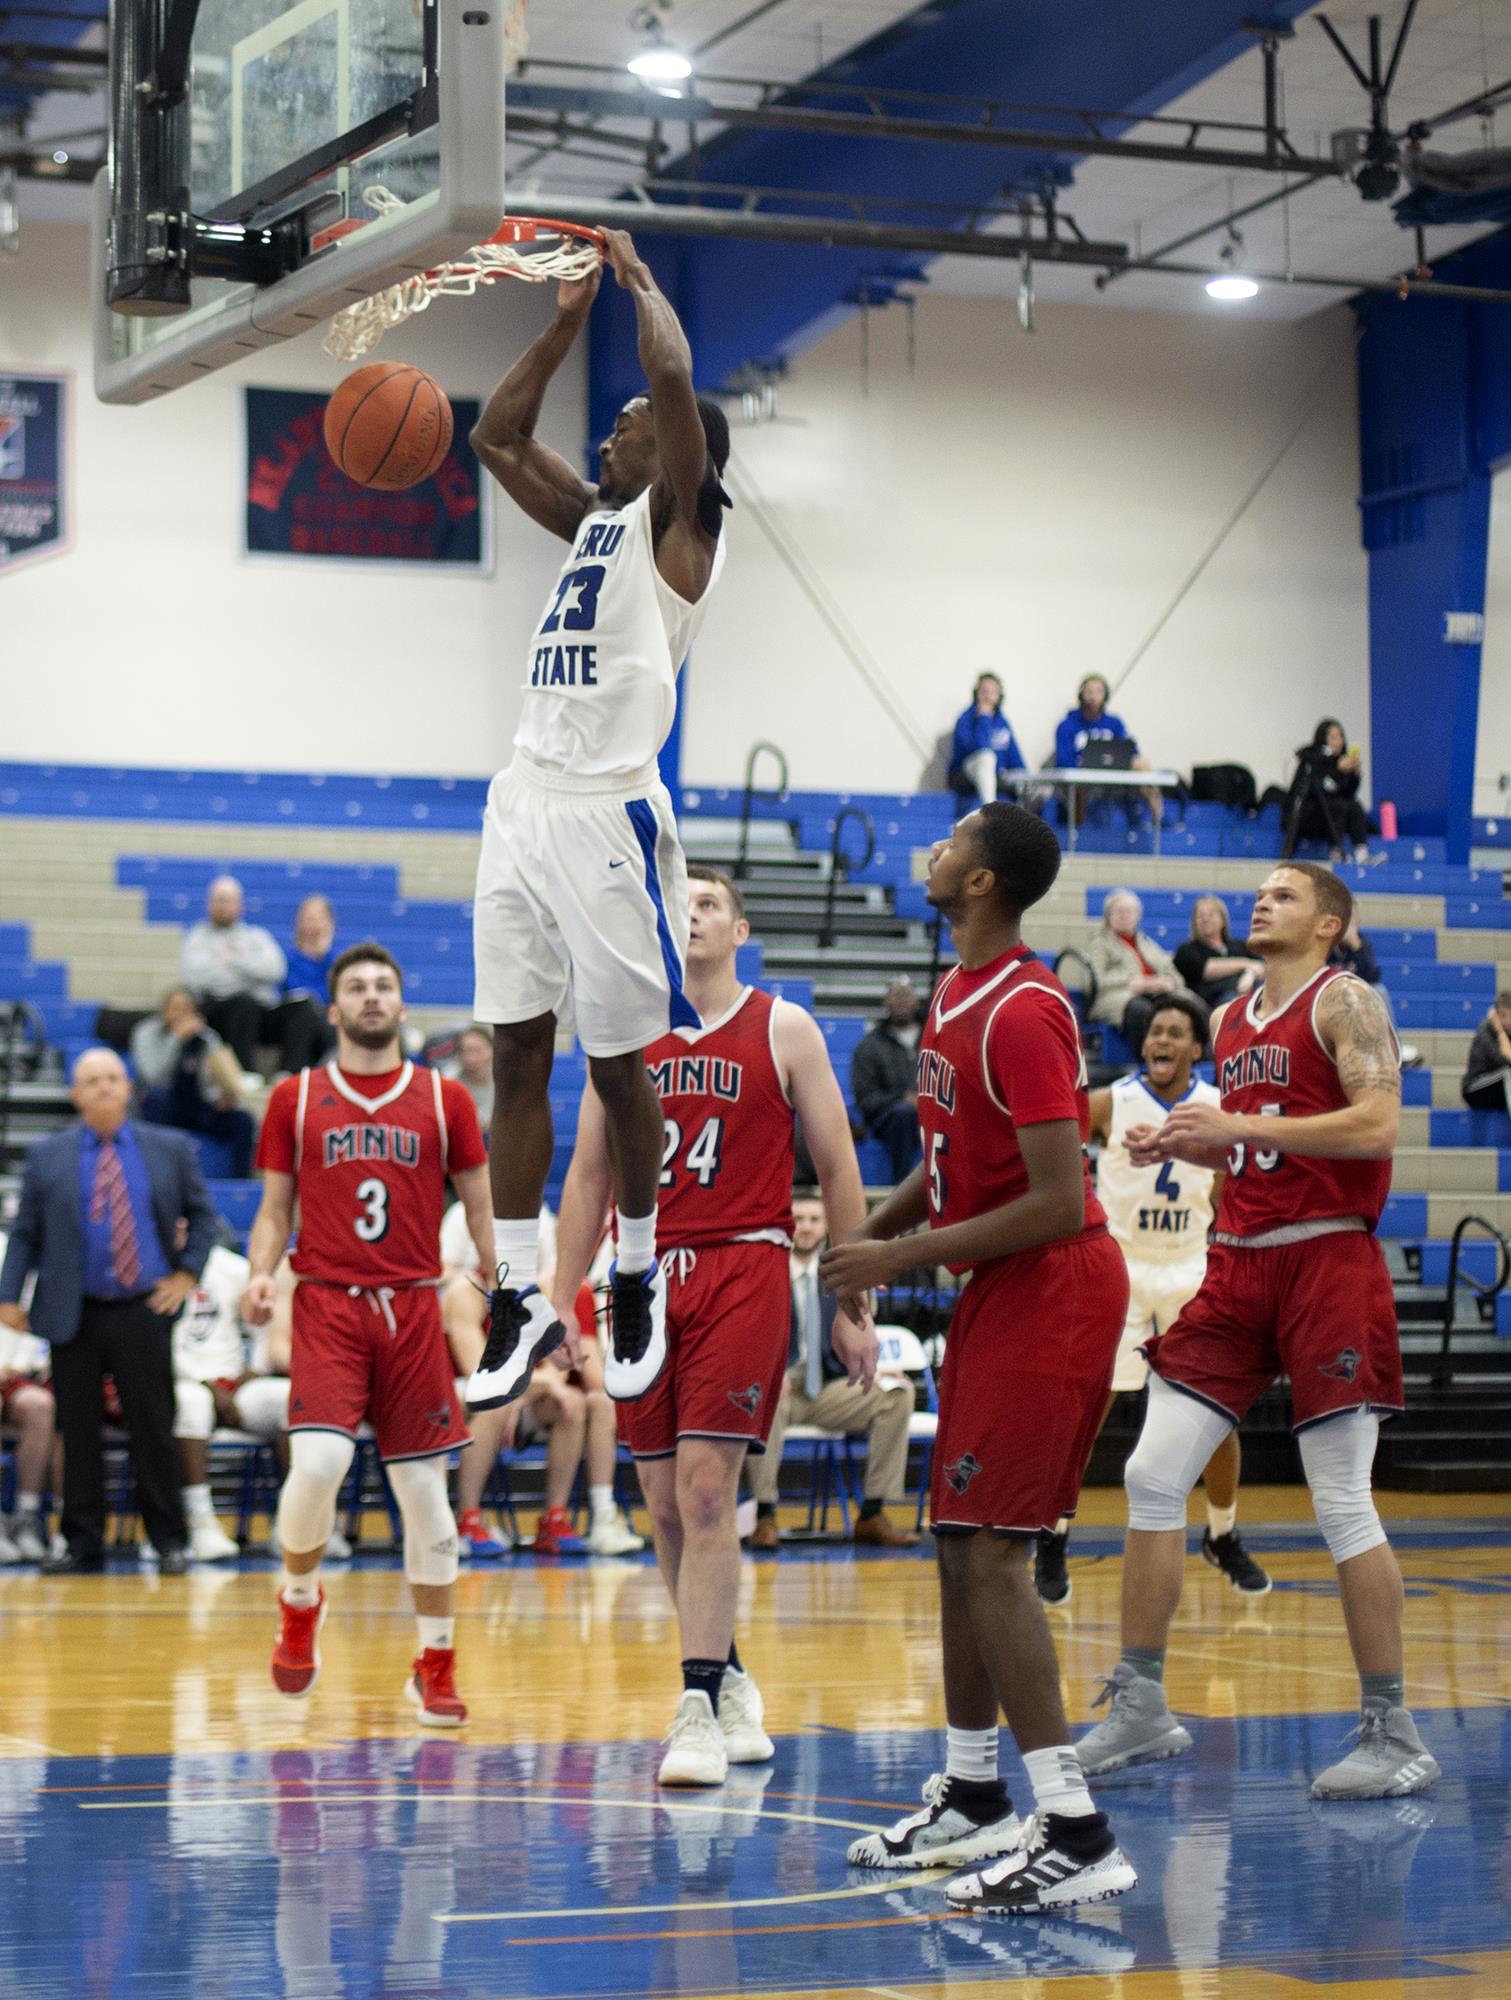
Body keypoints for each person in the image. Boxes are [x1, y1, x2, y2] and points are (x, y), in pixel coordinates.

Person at [823, 803, 1136, 1913]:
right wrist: (873, 1238)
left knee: (995, 1551)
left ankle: (1075, 1825)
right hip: (1000, 1291)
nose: (934, 849)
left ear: (982, 880)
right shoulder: (953, 989)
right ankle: (970, 1794)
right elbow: (952, 1162)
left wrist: (900, 1250)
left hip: (1055, 1287)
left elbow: (1055, 1201)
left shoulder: (1025, 1006)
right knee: (956, 1541)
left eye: (952, 840)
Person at [1074, 861, 1437, 1802]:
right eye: (1260, 893)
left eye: (1284, 894)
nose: (1261, 902)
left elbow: (1376, 1126)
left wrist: (1231, 1121)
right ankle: (1143, 1703)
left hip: (1325, 1256)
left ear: (1329, 924)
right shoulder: (1230, 1019)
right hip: (1239, 1256)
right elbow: (1254, 1139)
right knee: (1153, 1474)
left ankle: (1391, 1729)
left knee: (1339, 1501)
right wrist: (1197, 1143)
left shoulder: (1344, 1000)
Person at [466, 230, 732, 1417]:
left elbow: (674, 384)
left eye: (623, 422)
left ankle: (632, 1268)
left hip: (610, 815)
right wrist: (564, 316)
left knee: (616, 1064)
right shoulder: (591, 521)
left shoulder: (682, 539)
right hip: (521, 799)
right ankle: (520, 1290)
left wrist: (636, 282)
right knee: (516, 1048)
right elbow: (491, 436)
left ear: (679, 460)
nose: (612, 429)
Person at [551, 867, 874, 1787]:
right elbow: (586, 1181)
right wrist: (553, 1300)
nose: (687, 915)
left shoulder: (783, 1027)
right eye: (675, 903)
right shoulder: (620, 1032)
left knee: (703, 1490)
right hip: (639, 1276)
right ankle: (726, 1677)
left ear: (739, 929)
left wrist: (852, 1304)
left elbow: (838, 1166)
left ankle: (692, 1706)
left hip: (744, 1262)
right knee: (660, 1504)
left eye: (704, 904)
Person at [240, 943, 494, 1726]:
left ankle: (436, 1661)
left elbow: (480, 1207)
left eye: (385, 985)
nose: (373, 997)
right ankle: (299, 1599)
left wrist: (502, 1280)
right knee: (317, 1460)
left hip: (414, 1306)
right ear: (334, 1008)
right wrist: (259, 1272)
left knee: (424, 1494)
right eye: (357, 988)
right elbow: (275, 1210)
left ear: (403, 1004)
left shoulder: (445, 1099)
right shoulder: (298, 1096)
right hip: (326, 1302)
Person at [1035, 995, 1269, 1606]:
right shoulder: (1112, 1103)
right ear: (1144, 1046)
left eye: (1176, 1032)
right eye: (1155, 1032)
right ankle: (1053, 1533)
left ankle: (1222, 1533)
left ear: (1197, 1048)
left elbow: (1229, 1188)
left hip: (1192, 1267)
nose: (1162, 1040)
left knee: (1217, 1412)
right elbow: (1047, 1144)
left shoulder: (1219, 1107)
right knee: (1090, 1409)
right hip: (1121, 1269)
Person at [0, 1048, 217, 1575]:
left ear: (129, 1088)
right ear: (74, 1093)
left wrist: (185, 1275)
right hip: (73, 1311)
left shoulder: (168, 1148)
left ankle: (168, 1539)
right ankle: (81, 1543)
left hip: (144, 1307)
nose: (102, 1088)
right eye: (91, 1081)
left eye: (112, 1079)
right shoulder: (48, 1155)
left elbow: (205, 1219)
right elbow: (26, 1234)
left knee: (154, 1425)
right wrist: (8, 1296)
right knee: (77, 1431)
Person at [748, 1191, 919, 1552]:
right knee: (767, 1397)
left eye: (814, 1220)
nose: (805, 1228)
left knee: (898, 1395)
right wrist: (767, 1372)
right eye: (798, 1220)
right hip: (779, 1389)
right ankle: (765, 1515)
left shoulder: (842, 1276)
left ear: (827, 1227)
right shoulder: (764, 1272)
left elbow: (859, 1333)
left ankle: (873, 1513)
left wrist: (878, 1369)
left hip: (828, 1387)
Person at [442, 1259, 644, 1558]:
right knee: (494, 1405)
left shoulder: (544, 1288)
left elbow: (557, 1371)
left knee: (571, 1403)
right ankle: (467, 1518)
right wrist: (518, 1394)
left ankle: (554, 1518)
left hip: (523, 1393)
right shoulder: (466, 1292)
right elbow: (480, 1376)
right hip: (462, 1398)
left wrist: (521, 1397)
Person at [171, 1237, 292, 1562]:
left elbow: (265, 1327)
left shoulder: (233, 1269)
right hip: (183, 1380)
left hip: (237, 1383)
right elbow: (155, 1341)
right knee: (191, 1403)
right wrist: (208, 1387)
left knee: (288, 1399)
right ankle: (200, 1523)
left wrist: (254, 1371)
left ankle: (291, 1521)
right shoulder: (154, 1267)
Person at [131, 987, 256, 1178]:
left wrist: (222, 1096)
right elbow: (153, 1076)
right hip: (165, 1105)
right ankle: (153, 1176)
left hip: (199, 1105)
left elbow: (220, 1075)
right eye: (175, 1008)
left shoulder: (206, 1037)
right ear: (164, 1010)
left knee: (243, 1120)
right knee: (156, 1096)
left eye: (186, 1008)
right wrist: (177, 1039)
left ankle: (239, 1183)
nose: (180, 1014)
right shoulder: (147, 1033)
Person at [181, 875, 288, 1072]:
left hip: (257, 1011)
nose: (222, 906)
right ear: (208, 904)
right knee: (242, 1002)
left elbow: (276, 970)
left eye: (227, 900)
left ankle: (290, 1073)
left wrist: (232, 962)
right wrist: (249, 978)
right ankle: (242, 1073)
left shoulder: (257, 936)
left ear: (240, 905)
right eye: (218, 900)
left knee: (301, 1009)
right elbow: (196, 977)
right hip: (214, 1010)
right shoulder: (196, 937)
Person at [0, 1228, 56, 1563]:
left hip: (15, 1372)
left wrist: (22, 1365)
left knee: (41, 1406)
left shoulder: (16, 1249)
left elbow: (33, 1320)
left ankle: (25, 1516)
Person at [1085, 891, 1186, 1059]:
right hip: (1116, 998)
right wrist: (1132, 982)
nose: (1124, 916)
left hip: (1153, 994)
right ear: (1108, 916)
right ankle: (1151, 1061)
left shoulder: (1146, 943)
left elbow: (1175, 976)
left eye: (1128, 911)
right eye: (1119, 911)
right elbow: (1092, 982)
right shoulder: (1100, 943)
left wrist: (1169, 983)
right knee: (1143, 1011)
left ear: (1137, 916)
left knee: (1188, 1004)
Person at [851, 977, 924, 1184]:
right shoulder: (869, 1046)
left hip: (933, 1112)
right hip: (889, 1119)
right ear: (886, 1002)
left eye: (906, 995)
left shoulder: (935, 1035)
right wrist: (903, 1097)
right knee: (904, 1113)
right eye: (895, 995)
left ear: (917, 1001)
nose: (901, 1001)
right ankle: (902, 1188)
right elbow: (865, 1099)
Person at [268, 894, 339, 1074]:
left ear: (329, 923)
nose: (313, 924)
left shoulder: (335, 960)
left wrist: (325, 956)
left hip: (326, 1019)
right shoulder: (287, 958)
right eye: (308, 918)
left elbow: (337, 992)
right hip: (296, 1018)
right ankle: (293, 1072)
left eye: (318, 918)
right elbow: (287, 990)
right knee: (305, 1011)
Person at [1283, 719, 1372, 863]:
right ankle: (1335, 851)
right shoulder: (1312, 759)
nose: (1338, 741)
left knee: (1354, 806)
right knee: (1338, 806)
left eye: (1340, 736)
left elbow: (1348, 794)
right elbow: (1317, 789)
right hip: (1312, 816)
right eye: (1333, 737)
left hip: (1336, 816)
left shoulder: (1343, 761)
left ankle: (1361, 852)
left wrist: (1354, 775)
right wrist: (1337, 770)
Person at [949, 673, 1026, 807]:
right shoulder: (965, 720)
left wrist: (1023, 776)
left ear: (999, 696)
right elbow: (980, 748)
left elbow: (1015, 758)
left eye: (993, 692)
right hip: (965, 775)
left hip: (998, 776)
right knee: (987, 757)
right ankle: (991, 811)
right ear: (976, 694)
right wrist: (983, 718)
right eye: (984, 691)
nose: (988, 696)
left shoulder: (1002, 721)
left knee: (1041, 787)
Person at [1173, 897, 1262, 1012]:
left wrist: (1249, 974)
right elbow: (1206, 969)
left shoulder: (1239, 945)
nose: (1205, 919)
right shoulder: (1186, 950)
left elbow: (1261, 966)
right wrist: (1246, 964)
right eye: (1200, 916)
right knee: (1233, 1002)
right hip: (1213, 1003)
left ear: (1223, 919)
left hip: (1250, 993)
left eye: (1211, 914)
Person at [1463, 993, 1511, 1120]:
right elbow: (1505, 1060)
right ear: (1494, 1015)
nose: (1507, 1021)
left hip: (1499, 1089)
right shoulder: (1486, 1031)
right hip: (1475, 1087)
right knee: (1508, 1073)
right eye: (1503, 1016)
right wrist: (1500, 1031)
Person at [444, 1025, 496, 1132]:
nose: (471, 1059)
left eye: (477, 1051)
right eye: (465, 1051)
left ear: (492, 1050)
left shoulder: (504, 1080)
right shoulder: (450, 1080)